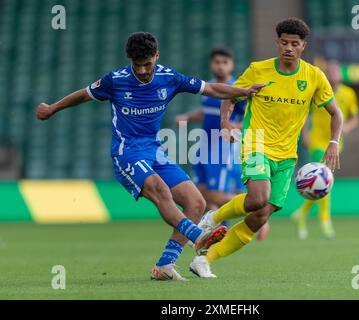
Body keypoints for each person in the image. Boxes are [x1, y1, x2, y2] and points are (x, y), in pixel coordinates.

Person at [36, 32, 264, 281]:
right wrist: (53, 108)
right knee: (159, 189)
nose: (143, 70)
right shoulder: (116, 80)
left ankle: (165, 265)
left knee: (196, 203)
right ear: (130, 61)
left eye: (148, 63)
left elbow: (209, 88)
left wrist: (243, 90)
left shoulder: (169, 77)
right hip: (128, 153)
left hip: (155, 150)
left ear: (157, 56)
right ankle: (198, 236)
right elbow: (83, 94)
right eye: (138, 65)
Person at [188, 17, 343, 278]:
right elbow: (230, 96)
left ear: (303, 45)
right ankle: (210, 219)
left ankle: (205, 261)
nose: (289, 48)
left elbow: (335, 113)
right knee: (257, 198)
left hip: (287, 156)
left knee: (260, 217)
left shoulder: (314, 76)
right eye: (284, 43)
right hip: (255, 142)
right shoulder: (258, 70)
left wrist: (333, 142)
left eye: (295, 44)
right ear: (277, 42)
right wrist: (225, 122)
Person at [291, 60, 359, 239]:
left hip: (336, 142)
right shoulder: (319, 91)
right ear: (326, 75)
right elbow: (306, 114)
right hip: (317, 142)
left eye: (336, 71)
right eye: (330, 71)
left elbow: (355, 118)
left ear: (341, 75)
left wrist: (347, 128)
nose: (333, 74)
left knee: (321, 181)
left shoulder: (348, 93)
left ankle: (301, 214)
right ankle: (325, 220)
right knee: (324, 178)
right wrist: (305, 134)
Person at [175, 48, 245, 213]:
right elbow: (206, 112)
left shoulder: (237, 90)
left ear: (232, 65)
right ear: (211, 64)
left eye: (224, 62)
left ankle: (255, 207)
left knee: (215, 194)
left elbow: (250, 117)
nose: (220, 66)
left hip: (223, 146)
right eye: (217, 62)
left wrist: (235, 127)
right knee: (201, 192)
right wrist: (188, 117)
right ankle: (218, 231)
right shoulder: (209, 88)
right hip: (205, 144)